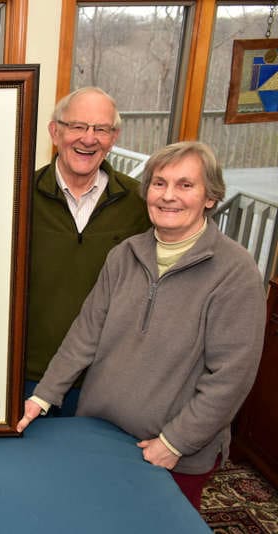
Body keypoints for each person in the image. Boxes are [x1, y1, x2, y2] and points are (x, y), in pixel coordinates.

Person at [16, 141, 266, 509]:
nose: (168, 196)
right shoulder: (124, 255)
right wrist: (43, 396)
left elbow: (231, 377)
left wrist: (175, 443)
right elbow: (85, 334)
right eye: (159, 183)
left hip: (171, 454)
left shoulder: (235, 272)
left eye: (185, 185)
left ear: (210, 197)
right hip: (99, 436)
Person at [25, 87, 151, 415]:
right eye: (78, 126)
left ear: (114, 137)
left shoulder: (141, 203)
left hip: (106, 377)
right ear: (55, 132)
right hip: (29, 375)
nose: (89, 139)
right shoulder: (17, 196)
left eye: (101, 129)